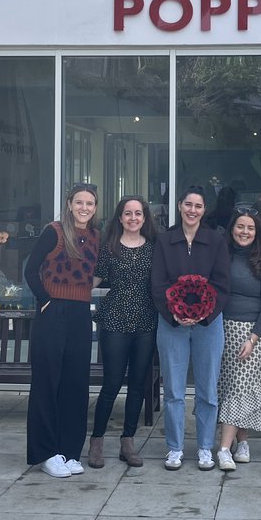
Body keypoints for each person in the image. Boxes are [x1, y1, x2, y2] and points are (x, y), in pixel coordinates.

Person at [23, 182, 100, 478]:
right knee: (47, 383)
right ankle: (46, 453)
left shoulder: (95, 236)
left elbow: (96, 272)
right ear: (69, 204)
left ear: (94, 208)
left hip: (80, 313)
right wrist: (46, 300)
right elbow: (31, 270)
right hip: (52, 312)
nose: (84, 208)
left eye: (89, 204)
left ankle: (70, 451)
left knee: (76, 384)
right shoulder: (54, 231)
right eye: (79, 202)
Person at [151, 185, 231, 471]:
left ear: (204, 209)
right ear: (179, 205)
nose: (192, 210)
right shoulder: (164, 240)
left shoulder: (216, 240)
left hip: (208, 325)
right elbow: (158, 284)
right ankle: (174, 448)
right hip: (171, 324)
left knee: (207, 389)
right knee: (173, 389)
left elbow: (222, 283)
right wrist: (175, 315)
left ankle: (205, 447)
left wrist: (203, 314)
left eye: (198, 206)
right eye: (188, 204)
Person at [88, 195, 158, 469]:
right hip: (115, 321)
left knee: (138, 385)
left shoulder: (153, 249)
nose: (133, 218)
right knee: (112, 384)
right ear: (120, 218)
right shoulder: (109, 248)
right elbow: (92, 281)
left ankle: (128, 441)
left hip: (145, 323)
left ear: (144, 218)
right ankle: (97, 440)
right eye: (127, 213)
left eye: (138, 213)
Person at [215, 209, 261, 471]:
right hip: (221, 330)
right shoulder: (222, 257)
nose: (245, 232)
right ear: (232, 229)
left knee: (240, 388)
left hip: (252, 334)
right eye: (240, 227)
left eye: (250, 228)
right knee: (231, 387)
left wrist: (253, 338)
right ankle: (242, 442)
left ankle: (222, 448)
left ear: (257, 233)